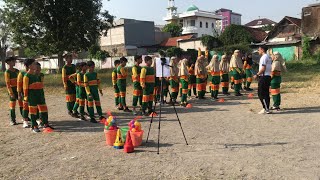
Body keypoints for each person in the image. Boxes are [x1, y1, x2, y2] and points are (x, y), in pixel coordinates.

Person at [23, 59, 53, 133]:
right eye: (34, 64)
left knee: (44, 109)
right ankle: (34, 126)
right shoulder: (27, 76)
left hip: (40, 94)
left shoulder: (37, 75)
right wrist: (26, 97)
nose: (35, 65)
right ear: (29, 66)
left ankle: (45, 124)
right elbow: (25, 88)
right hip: (32, 95)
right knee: (33, 111)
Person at [254, 45, 273, 114]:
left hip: (264, 77)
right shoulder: (268, 56)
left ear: (262, 49)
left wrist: (257, 74)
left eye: (259, 50)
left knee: (261, 94)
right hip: (267, 76)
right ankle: (266, 107)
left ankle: (266, 108)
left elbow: (263, 68)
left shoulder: (264, 57)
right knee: (266, 93)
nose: (258, 51)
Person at [4, 57, 23, 126]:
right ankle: (12, 120)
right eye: (13, 61)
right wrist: (11, 93)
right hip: (12, 90)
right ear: (9, 63)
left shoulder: (17, 71)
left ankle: (24, 117)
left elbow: (20, 81)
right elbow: (8, 84)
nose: (14, 62)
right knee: (12, 106)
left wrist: (20, 91)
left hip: (18, 90)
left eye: (15, 61)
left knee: (22, 104)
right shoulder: (7, 72)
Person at [17, 59, 31, 128]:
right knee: (25, 107)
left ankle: (36, 119)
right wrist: (19, 94)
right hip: (24, 93)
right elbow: (19, 84)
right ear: (27, 65)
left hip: (33, 93)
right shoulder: (22, 73)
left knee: (34, 106)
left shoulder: (34, 73)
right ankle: (25, 121)